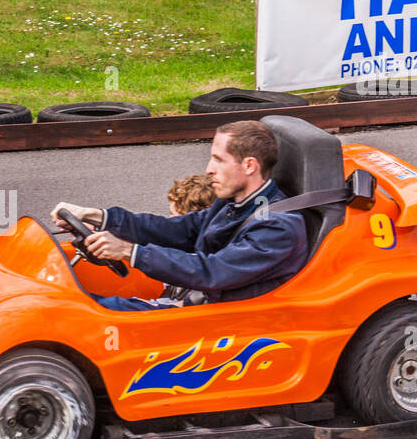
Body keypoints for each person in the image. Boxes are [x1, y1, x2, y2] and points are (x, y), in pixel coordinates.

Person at [52, 120, 308, 311]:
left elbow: (213, 272)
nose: (209, 170)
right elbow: (175, 229)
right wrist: (99, 216)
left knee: (81, 313)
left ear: (249, 165)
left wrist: (129, 252)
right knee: (68, 301)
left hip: (221, 319)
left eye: (218, 160)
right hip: (193, 300)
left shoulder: (277, 227)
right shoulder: (232, 202)